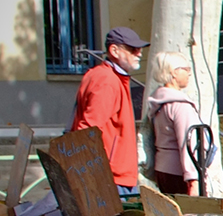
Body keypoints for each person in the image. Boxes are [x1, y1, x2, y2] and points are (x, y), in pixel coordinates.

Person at [70, 25, 147, 195]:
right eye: (133, 49)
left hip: (110, 175)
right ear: (114, 50)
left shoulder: (106, 76)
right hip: (110, 178)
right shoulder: (107, 80)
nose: (139, 53)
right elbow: (89, 128)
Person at [146, 51, 206, 196]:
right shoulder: (180, 106)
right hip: (179, 173)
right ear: (174, 72)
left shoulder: (158, 104)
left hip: (162, 169)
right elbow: (187, 143)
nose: (189, 74)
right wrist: (193, 179)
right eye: (186, 69)